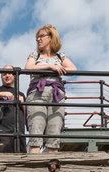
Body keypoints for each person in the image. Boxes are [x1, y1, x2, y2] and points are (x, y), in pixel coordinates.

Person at [25, 24, 76, 153]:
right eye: (37, 37)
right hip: (37, 93)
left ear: (51, 37)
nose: (38, 39)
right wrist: (50, 67)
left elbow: (73, 69)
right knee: (35, 136)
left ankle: (47, 170)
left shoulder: (60, 56)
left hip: (56, 95)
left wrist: (57, 66)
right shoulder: (34, 55)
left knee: (53, 138)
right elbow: (28, 68)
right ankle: (33, 169)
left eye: (41, 36)